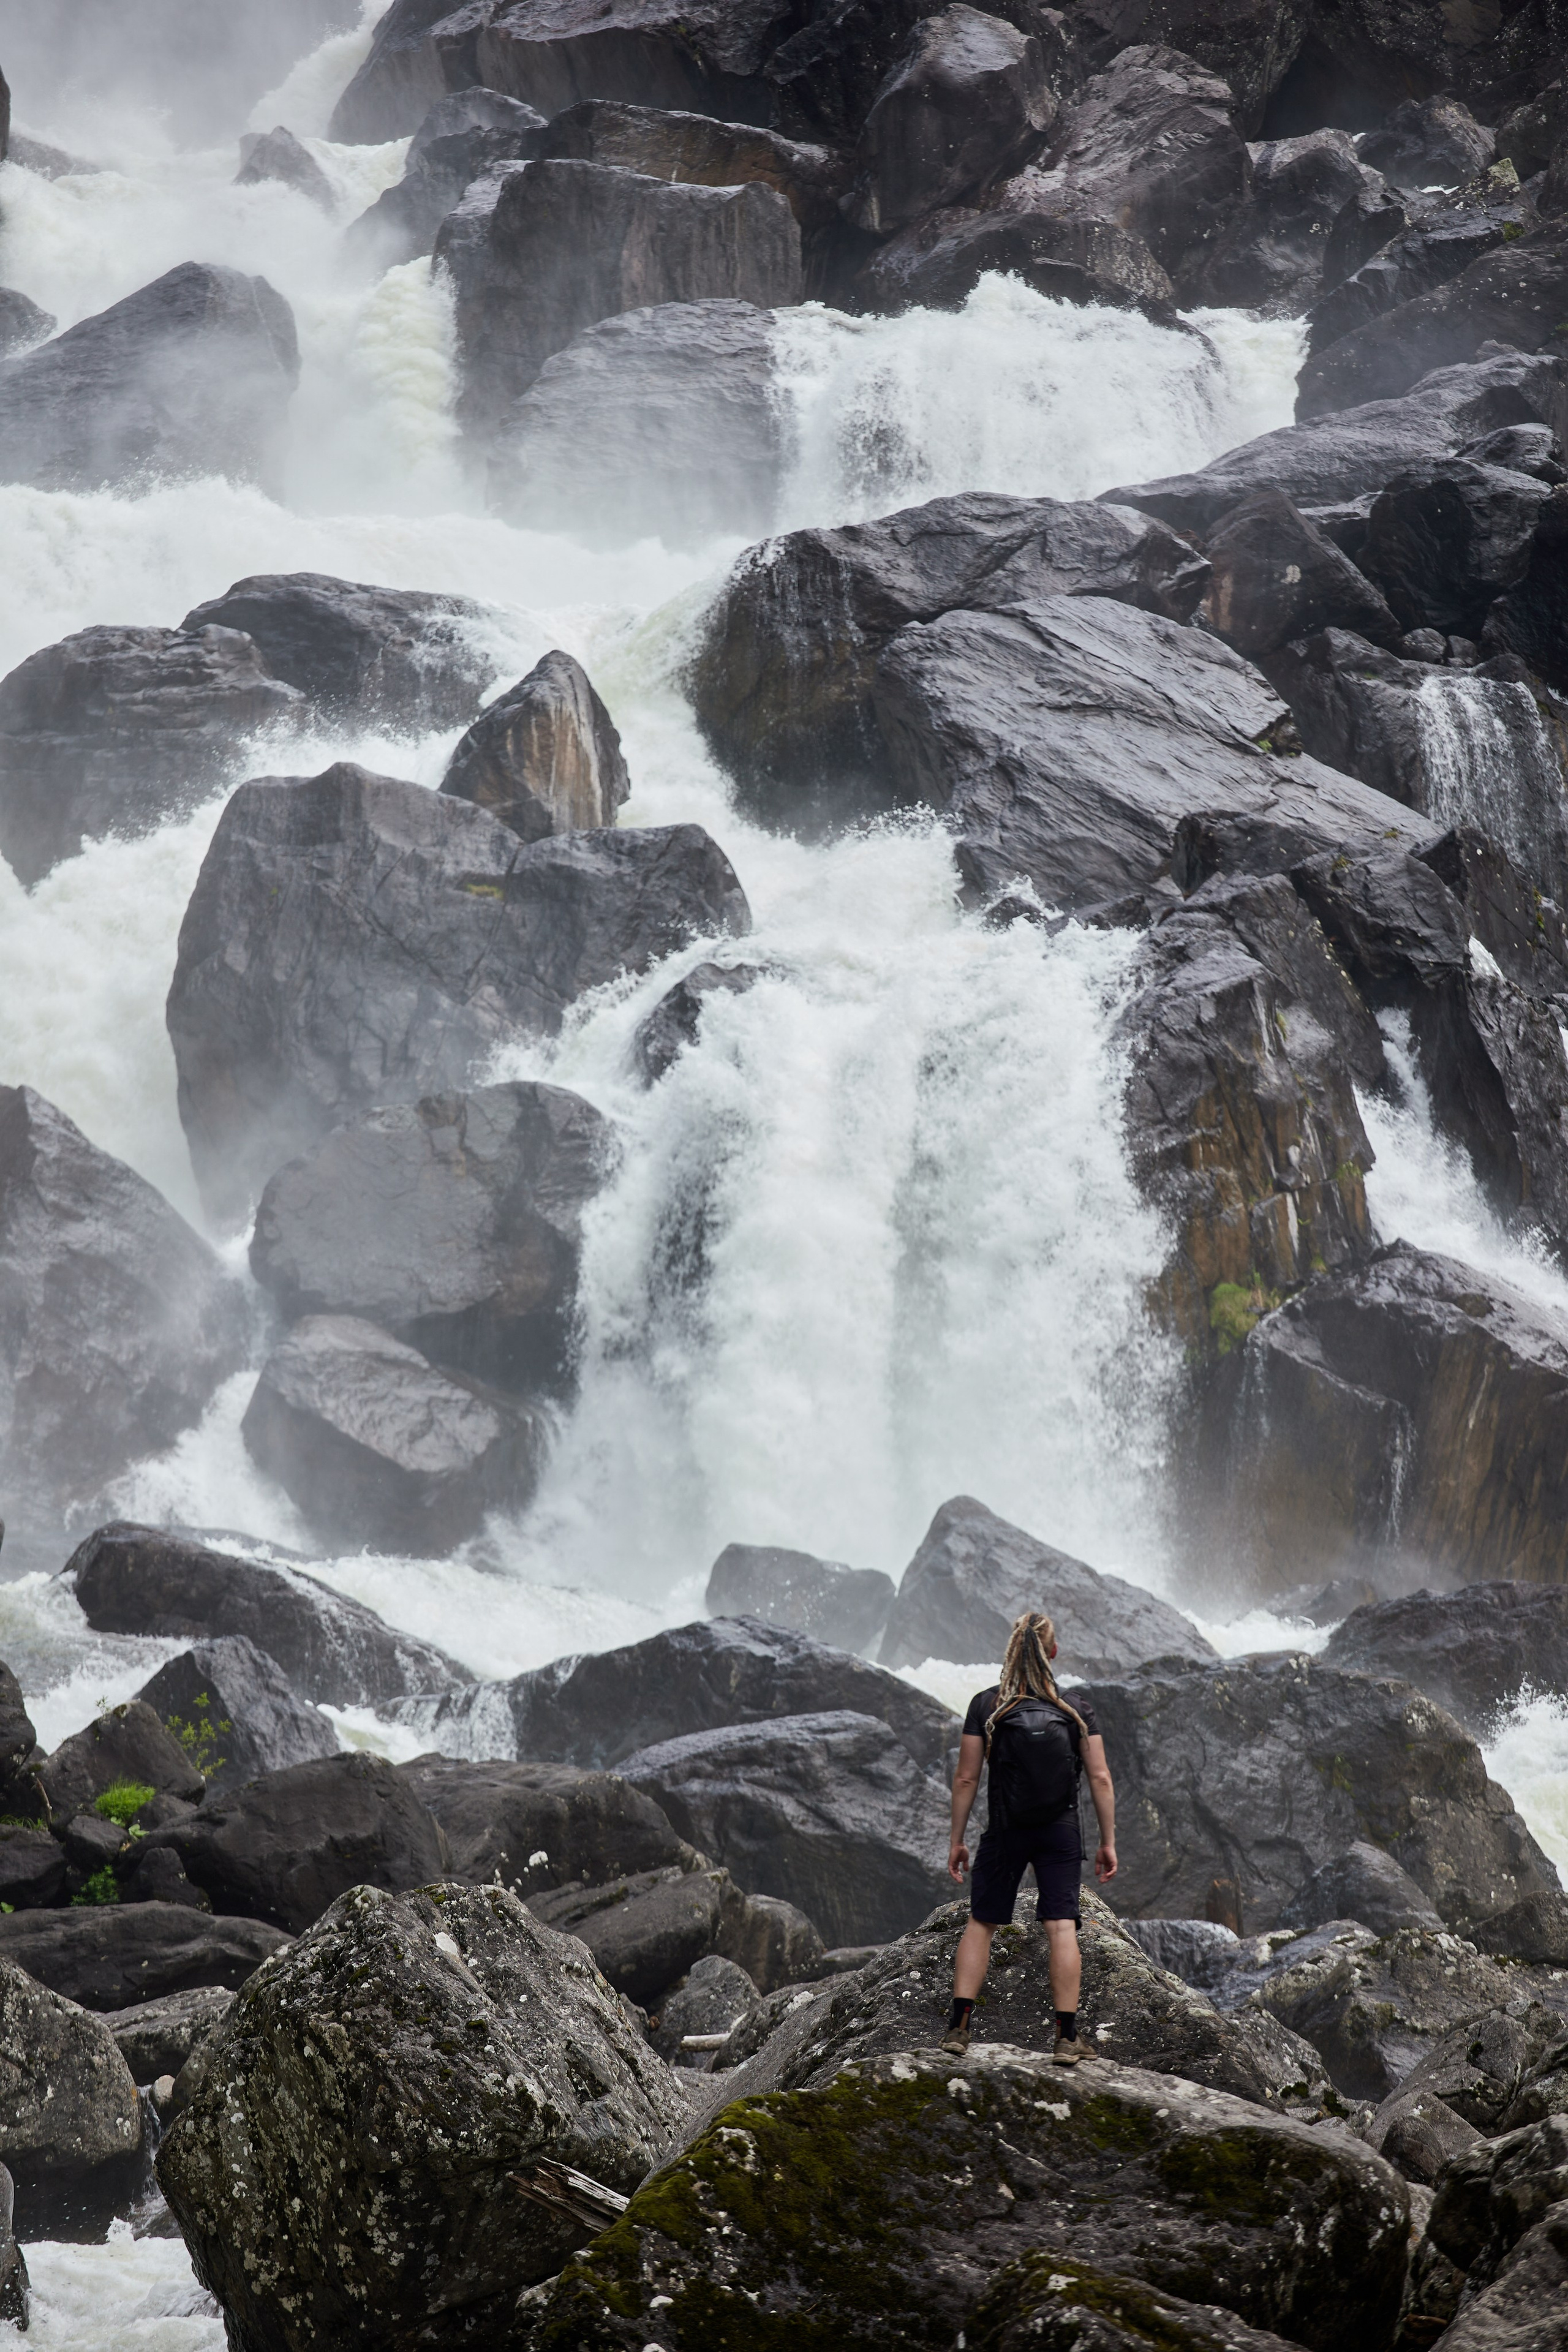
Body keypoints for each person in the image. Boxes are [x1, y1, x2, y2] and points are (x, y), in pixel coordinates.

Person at [941, 1608, 1117, 2064]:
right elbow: (1100, 1778)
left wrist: (957, 1840)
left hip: (1005, 1829)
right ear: (1053, 1652)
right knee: (1061, 1926)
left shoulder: (987, 1706)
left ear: (1013, 1649)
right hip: (1059, 1831)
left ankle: (959, 2030)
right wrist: (1107, 1841)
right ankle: (1066, 2038)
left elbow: (965, 1779)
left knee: (982, 1922)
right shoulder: (1075, 1709)